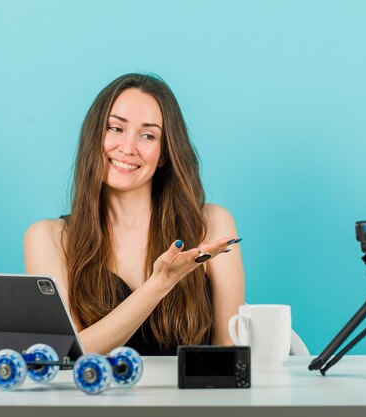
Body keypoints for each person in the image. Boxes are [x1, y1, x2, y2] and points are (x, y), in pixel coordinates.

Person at [24, 73, 245, 355]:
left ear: (164, 153)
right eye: (115, 128)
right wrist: (159, 284)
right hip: (94, 399)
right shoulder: (49, 238)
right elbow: (69, 354)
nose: (127, 148)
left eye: (148, 135)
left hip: (189, 399)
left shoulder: (211, 224)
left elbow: (229, 352)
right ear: (94, 136)